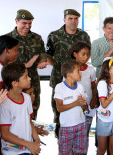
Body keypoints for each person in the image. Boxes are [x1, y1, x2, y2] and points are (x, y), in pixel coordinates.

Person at [46, 9, 91, 137]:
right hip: (58, 77)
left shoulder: (84, 36)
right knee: (58, 108)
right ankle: (60, 136)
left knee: (77, 105)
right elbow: (48, 55)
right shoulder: (54, 35)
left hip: (78, 77)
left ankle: (76, 134)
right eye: (70, 18)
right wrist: (60, 67)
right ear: (64, 19)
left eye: (76, 18)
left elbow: (86, 54)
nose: (73, 21)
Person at [7, 9, 49, 119]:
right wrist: (26, 65)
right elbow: (5, 64)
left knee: (32, 113)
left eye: (30, 23)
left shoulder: (37, 38)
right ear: (16, 21)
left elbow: (42, 53)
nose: (27, 26)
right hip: (14, 84)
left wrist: (43, 61)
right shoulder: (8, 39)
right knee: (15, 116)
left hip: (33, 82)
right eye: (24, 23)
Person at [0, 63, 41, 155]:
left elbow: (29, 122)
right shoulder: (4, 104)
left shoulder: (27, 98)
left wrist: (37, 140)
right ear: (15, 83)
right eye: (25, 77)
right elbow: (5, 134)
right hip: (12, 152)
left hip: (28, 149)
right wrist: (29, 144)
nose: (29, 78)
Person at [54, 60, 89, 155]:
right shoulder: (59, 87)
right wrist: (76, 103)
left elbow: (86, 107)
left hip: (81, 125)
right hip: (67, 127)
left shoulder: (80, 87)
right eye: (78, 71)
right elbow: (59, 108)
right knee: (65, 152)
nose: (80, 73)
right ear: (69, 74)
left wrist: (83, 104)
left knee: (80, 151)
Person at [70, 41, 98, 139]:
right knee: (74, 136)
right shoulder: (69, 70)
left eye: (88, 54)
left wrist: (94, 97)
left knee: (84, 136)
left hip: (89, 108)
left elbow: (93, 86)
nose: (86, 57)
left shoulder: (91, 70)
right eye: (83, 54)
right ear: (75, 54)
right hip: (74, 108)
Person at [0, 35, 19, 154]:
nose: (18, 53)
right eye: (16, 50)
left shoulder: (0, 67)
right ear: (6, 50)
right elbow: (1, 96)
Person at [96, 59, 113, 155]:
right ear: (109, 70)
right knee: (102, 149)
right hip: (104, 120)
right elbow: (104, 104)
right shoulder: (102, 83)